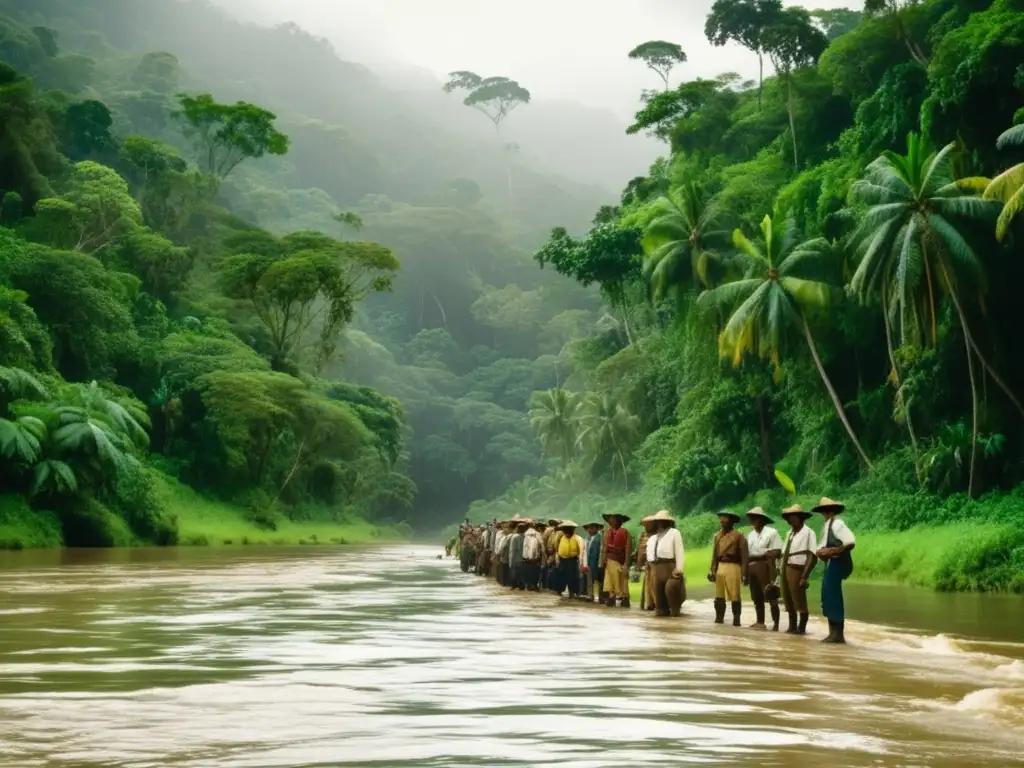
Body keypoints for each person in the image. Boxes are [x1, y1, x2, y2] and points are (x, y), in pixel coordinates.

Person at [814, 497, 856, 644]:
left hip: (837, 562)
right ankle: (833, 632)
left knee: (833, 596)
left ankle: (837, 634)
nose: (824, 513)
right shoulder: (827, 526)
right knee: (827, 596)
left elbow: (850, 542)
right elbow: (821, 546)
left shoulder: (837, 523)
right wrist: (821, 552)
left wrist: (834, 551)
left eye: (825, 510)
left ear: (831, 511)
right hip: (831, 563)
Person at [780, 504, 818, 635]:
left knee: (799, 599)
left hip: (797, 568)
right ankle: (792, 627)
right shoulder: (789, 533)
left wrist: (804, 576)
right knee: (787, 598)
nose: (791, 520)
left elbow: (812, 556)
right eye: (789, 518)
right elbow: (784, 553)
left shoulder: (808, 533)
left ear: (801, 518)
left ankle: (801, 629)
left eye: (794, 517)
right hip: (785, 567)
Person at [745, 507, 783, 631]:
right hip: (752, 566)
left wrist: (763, 554)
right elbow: (746, 554)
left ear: (762, 519)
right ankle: (760, 622)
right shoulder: (750, 535)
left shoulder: (772, 533)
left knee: (771, 594)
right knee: (756, 597)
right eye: (751, 518)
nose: (753, 520)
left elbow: (777, 551)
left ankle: (776, 624)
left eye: (755, 518)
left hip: (766, 566)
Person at [708, 510, 749, 626]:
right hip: (720, 565)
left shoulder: (739, 536)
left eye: (725, 518)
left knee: (735, 594)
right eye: (721, 518)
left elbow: (744, 556)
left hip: (733, 565)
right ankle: (719, 618)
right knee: (719, 595)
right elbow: (714, 555)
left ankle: (736, 619)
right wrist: (712, 570)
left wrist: (744, 573)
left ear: (731, 521)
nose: (722, 520)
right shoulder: (717, 536)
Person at [646, 510, 685, 617]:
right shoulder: (653, 538)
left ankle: (675, 611)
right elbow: (650, 556)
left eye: (662, 520)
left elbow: (679, 551)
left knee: (671, 591)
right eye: (658, 521)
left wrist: (679, 569)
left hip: (670, 567)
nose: (660, 523)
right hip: (657, 570)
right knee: (660, 610)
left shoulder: (674, 533)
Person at [554, 520, 585, 598]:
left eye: (568, 529)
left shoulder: (577, 538)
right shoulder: (561, 538)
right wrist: (557, 559)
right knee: (561, 576)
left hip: (572, 560)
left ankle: (573, 592)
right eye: (565, 530)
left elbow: (581, 550)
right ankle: (559, 590)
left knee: (572, 577)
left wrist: (581, 561)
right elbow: (557, 549)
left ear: (572, 530)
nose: (566, 531)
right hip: (562, 560)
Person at [636, 516, 656, 611]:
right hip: (647, 564)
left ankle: (655, 602)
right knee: (648, 583)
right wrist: (638, 564)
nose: (646, 526)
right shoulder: (643, 535)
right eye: (645, 525)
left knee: (654, 583)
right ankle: (649, 603)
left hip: (655, 563)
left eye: (648, 524)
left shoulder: (657, 534)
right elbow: (640, 549)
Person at [583, 521, 605, 603]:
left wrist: (600, 562)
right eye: (589, 528)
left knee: (599, 580)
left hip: (597, 562)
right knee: (589, 580)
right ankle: (590, 595)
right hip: (589, 562)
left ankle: (601, 597)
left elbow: (601, 551)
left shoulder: (600, 538)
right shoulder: (587, 538)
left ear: (596, 529)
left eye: (591, 528)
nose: (589, 530)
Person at [522, 520, 546, 591]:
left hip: (526, 557)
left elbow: (525, 547)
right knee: (535, 572)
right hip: (535, 558)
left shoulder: (525, 534)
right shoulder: (537, 534)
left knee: (528, 571)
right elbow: (542, 545)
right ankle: (534, 585)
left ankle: (528, 585)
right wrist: (544, 556)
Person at [508, 520, 527, 590]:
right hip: (523, 559)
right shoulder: (525, 537)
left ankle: (513, 587)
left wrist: (510, 561)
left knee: (514, 575)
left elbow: (512, 550)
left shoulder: (514, 537)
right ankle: (521, 588)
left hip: (515, 560)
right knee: (521, 576)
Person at [544, 518, 562, 591]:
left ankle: (555, 588)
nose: (555, 526)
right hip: (551, 554)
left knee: (554, 571)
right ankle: (551, 587)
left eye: (556, 525)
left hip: (556, 554)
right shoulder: (552, 533)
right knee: (551, 571)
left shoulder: (560, 533)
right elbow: (547, 543)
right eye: (554, 525)